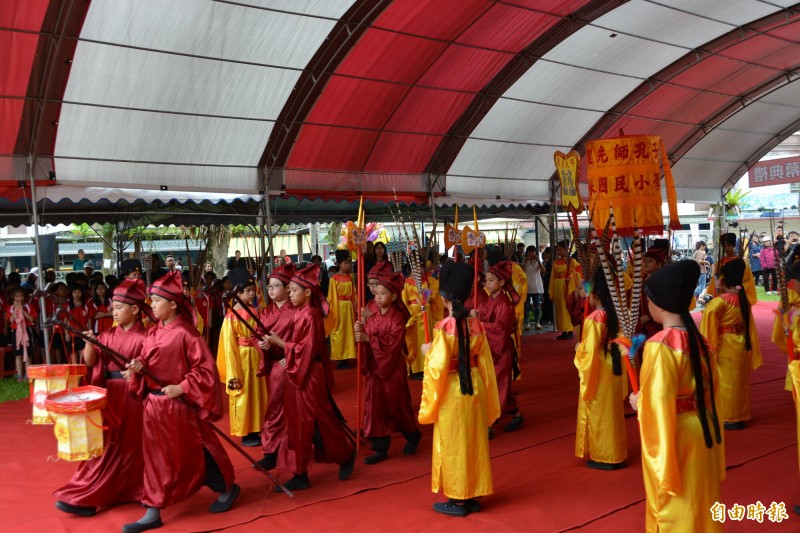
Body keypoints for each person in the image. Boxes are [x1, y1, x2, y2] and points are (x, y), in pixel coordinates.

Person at [125, 270, 239, 532]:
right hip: (154, 406)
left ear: (173, 304)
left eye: (156, 301)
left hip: (179, 407)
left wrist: (183, 386)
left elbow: (206, 369)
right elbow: (146, 357)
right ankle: (152, 510)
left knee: (195, 452)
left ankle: (226, 486)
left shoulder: (187, 333)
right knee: (154, 457)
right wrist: (138, 366)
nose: (151, 305)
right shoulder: (153, 332)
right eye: (151, 300)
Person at [629, 260, 724, 532]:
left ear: (657, 304)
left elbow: (658, 402)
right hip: (701, 428)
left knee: (676, 505)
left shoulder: (660, 346)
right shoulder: (700, 341)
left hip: (676, 433)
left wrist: (640, 403)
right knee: (700, 501)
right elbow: (713, 390)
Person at [54, 278, 152, 516]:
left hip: (134, 395)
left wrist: (138, 370)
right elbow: (90, 362)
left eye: (119, 308)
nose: (114, 312)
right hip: (109, 395)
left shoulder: (147, 336)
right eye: (113, 307)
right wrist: (89, 343)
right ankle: (88, 493)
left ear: (136, 309)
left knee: (134, 445)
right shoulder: (106, 335)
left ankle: (137, 489)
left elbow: (152, 364)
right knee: (106, 445)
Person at [262, 265, 356, 491]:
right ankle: (300, 471)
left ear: (307, 293)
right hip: (298, 371)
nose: (291, 293)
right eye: (290, 290)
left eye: (294, 290)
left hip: (309, 374)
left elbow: (308, 349)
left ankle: (344, 454)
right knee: (298, 423)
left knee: (318, 420)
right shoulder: (301, 314)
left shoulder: (311, 315)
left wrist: (281, 344)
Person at [418, 261, 500, 517]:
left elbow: (439, 366)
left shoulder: (446, 327)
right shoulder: (475, 324)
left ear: (444, 298)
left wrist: (427, 353)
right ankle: (473, 494)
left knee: (455, 444)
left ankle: (458, 499)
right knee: (473, 441)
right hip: (473, 385)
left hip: (454, 388)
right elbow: (485, 362)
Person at [354, 271, 421, 464]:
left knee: (397, 405)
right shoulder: (373, 318)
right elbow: (367, 337)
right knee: (376, 407)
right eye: (376, 294)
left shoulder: (397, 318)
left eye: (383, 293)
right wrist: (361, 332)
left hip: (392, 370)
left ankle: (412, 435)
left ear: (393, 296)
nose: (378, 297)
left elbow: (393, 343)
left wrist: (368, 339)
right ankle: (380, 447)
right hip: (376, 369)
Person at [574, 270, 627, 470]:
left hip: (599, 367)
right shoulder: (615, 312)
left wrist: (579, 350)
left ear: (595, 294)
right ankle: (616, 452)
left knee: (598, 410)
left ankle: (605, 455)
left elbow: (589, 350)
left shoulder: (595, 317)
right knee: (612, 411)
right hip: (612, 363)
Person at [700, 259, 761, 430]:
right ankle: (740, 415)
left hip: (725, 345)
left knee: (727, 383)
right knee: (739, 382)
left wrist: (708, 350)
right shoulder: (743, 300)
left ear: (724, 280)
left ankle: (729, 416)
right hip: (741, 344)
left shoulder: (720, 302)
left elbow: (708, 328)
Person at [216, 268, 268, 447]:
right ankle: (246, 431)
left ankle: (258, 427)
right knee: (244, 394)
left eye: (253, 290)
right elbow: (229, 347)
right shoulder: (231, 316)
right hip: (242, 360)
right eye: (248, 291)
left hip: (256, 356)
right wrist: (233, 370)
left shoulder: (255, 310)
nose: (252, 293)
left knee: (258, 393)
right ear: (237, 293)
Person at [254, 262, 298, 470]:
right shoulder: (265, 312)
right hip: (273, 364)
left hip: (289, 364)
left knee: (281, 407)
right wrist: (261, 344)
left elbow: (303, 340)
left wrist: (289, 355)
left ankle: (276, 450)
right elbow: (256, 335)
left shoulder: (297, 311)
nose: (271, 291)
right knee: (275, 407)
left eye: (275, 286)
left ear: (288, 288)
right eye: (269, 287)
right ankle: (272, 449)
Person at [472, 257, 523, 435]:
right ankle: (515, 413)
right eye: (486, 279)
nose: (487, 283)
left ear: (502, 282)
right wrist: (476, 317)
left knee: (498, 385)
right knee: (493, 385)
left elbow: (500, 331)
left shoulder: (506, 305)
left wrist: (479, 323)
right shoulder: (487, 300)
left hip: (500, 350)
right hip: (488, 348)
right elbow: (484, 321)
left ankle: (489, 423)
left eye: (491, 280)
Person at [403, 249, 443, 380]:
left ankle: (427, 366)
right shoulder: (406, 283)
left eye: (420, 267)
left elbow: (433, 293)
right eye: (416, 267)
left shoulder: (428, 280)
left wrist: (426, 295)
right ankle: (414, 369)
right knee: (413, 342)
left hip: (426, 313)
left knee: (427, 339)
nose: (419, 270)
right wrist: (410, 314)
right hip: (413, 316)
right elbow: (404, 301)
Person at [324, 250, 358, 368]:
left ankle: (348, 356)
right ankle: (339, 359)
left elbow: (354, 293)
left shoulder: (350, 277)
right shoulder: (334, 279)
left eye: (348, 263)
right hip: (339, 308)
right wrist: (334, 312)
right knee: (339, 331)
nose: (347, 265)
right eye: (345, 263)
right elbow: (331, 297)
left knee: (349, 332)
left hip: (348, 307)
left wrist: (355, 304)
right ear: (339, 264)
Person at [548, 240, 582, 340]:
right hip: (558, 286)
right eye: (557, 250)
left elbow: (577, 274)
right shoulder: (555, 262)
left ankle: (569, 330)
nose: (559, 252)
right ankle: (563, 330)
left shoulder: (572, 261)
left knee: (567, 308)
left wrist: (570, 279)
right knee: (560, 309)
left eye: (561, 250)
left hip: (568, 287)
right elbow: (553, 276)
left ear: (567, 250)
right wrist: (553, 290)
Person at [6, 288, 36, 381]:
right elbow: (11, 320)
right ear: (13, 297)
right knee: (18, 355)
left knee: (28, 353)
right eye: (17, 296)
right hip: (16, 332)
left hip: (27, 330)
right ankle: (19, 374)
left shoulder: (28, 306)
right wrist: (16, 309)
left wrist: (22, 310)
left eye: (21, 296)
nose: (20, 298)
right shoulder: (10, 308)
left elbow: (32, 319)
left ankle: (27, 375)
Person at [522, 246, 545, 330]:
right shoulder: (525, 261)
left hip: (536, 286)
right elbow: (522, 271)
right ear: (527, 253)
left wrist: (538, 260)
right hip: (526, 287)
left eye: (533, 252)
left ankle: (537, 322)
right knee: (526, 305)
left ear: (535, 253)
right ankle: (527, 323)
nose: (531, 254)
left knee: (537, 306)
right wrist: (525, 261)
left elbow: (543, 270)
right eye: (529, 252)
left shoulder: (538, 262)